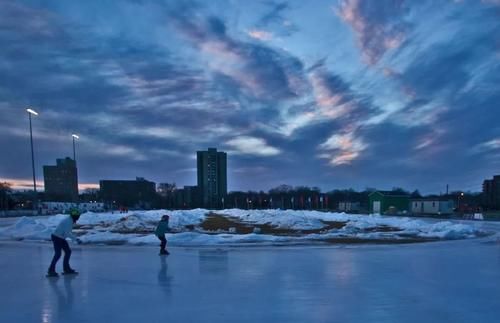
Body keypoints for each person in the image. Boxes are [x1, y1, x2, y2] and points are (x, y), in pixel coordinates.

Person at [47, 209, 81, 277]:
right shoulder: (68, 221)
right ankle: (51, 270)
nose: (78, 218)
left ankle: (66, 269)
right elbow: (67, 233)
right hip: (57, 237)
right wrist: (76, 239)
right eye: (77, 217)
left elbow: (67, 232)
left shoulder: (70, 220)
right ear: (74, 216)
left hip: (61, 237)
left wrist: (75, 238)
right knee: (58, 254)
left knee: (68, 252)